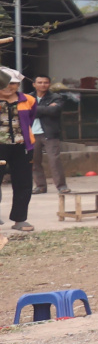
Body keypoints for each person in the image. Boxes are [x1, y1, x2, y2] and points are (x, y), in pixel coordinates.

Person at [30, 75, 75, 195]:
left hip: (50, 133)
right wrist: (45, 109)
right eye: (40, 82)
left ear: (49, 84)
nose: (43, 85)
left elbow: (54, 111)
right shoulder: (28, 97)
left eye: (45, 82)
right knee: (34, 161)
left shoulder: (56, 97)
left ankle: (61, 186)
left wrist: (35, 110)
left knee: (54, 160)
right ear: (34, 84)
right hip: (32, 134)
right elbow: (24, 112)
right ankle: (40, 186)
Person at [0, 69, 32, 232]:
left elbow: (30, 118)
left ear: (18, 84)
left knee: (23, 182)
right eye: (5, 83)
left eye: (12, 83)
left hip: (21, 146)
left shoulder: (29, 100)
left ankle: (20, 219)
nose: (8, 87)